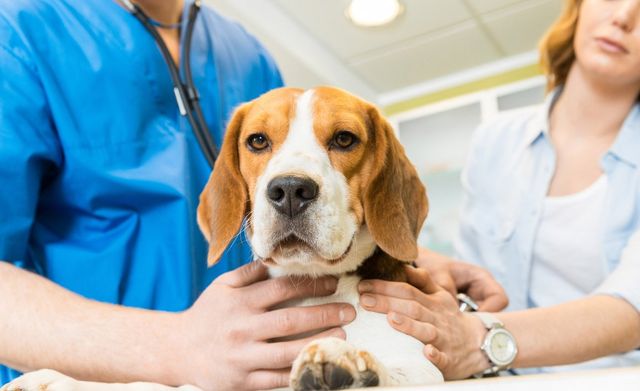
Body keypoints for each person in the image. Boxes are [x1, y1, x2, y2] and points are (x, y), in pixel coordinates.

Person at [0, 1, 363, 389]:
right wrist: (173, 345)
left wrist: (416, 278)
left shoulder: (248, 55)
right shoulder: (20, 30)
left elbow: (318, 209)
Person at [358, 0, 640, 380]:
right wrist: (428, 261)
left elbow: (633, 306)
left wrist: (478, 339)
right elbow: (474, 278)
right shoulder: (496, 140)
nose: (623, 16)